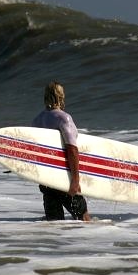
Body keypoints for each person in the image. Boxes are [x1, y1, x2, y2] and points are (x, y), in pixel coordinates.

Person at [32, 81, 91, 221]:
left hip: (47, 181)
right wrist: (75, 180)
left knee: (55, 225)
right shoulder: (64, 118)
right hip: (64, 179)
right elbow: (72, 149)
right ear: (61, 96)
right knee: (84, 219)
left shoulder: (37, 121)